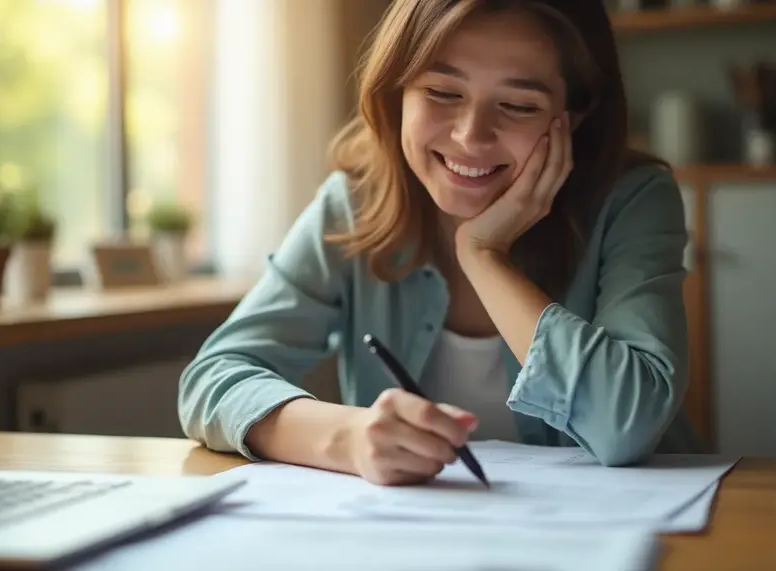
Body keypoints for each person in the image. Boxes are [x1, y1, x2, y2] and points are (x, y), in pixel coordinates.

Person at [178, 0, 703, 486]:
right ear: (396, 91)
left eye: (519, 105)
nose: (471, 136)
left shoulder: (631, 201)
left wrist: (483, 255)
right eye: (442, 92)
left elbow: (625, 424)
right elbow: (212, 379)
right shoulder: (357, 202)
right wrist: (349, 438)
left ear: (573, 117)